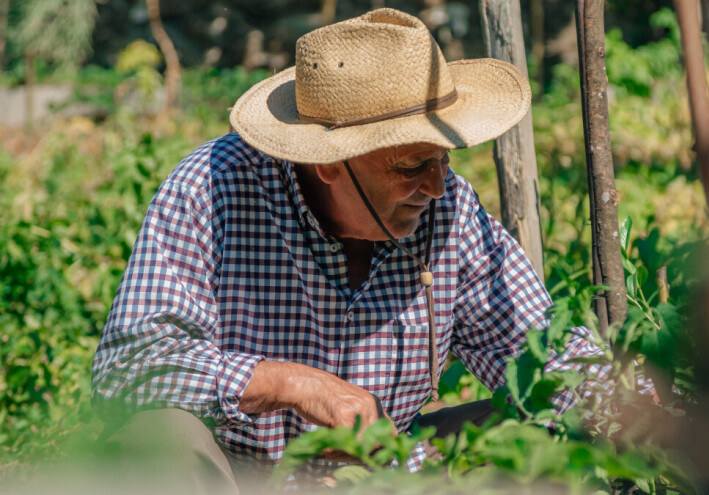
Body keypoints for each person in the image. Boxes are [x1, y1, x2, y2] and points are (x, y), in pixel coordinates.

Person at [91, 8, 642, 492]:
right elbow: (129, 368)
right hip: (240, 474)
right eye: (411, 166)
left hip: (389, 471)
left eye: (443, 159)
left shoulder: (447, 207)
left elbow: (548, 355)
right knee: (160, 438)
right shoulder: (213, 189)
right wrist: (295, 384)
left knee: (535, 436)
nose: (435, 185)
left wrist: (650, 414)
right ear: (328, 164)